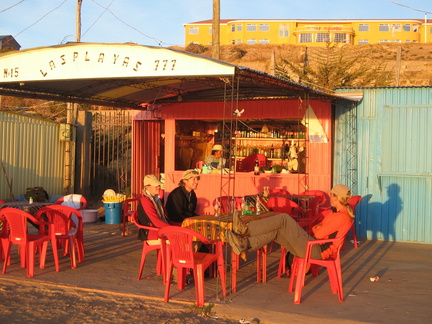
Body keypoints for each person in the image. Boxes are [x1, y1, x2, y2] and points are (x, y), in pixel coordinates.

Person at [226, 184, 354, 260]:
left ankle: (244, 229)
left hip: (317, 249)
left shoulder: (342, 217)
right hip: (313, 245)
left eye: (332, 195)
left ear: (337, 198)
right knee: (276, 231)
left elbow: (318, 233)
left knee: (284, 218)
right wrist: (318, 227)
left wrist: (317, 228)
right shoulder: (336, 213)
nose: (330, 197)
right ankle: (245, 243)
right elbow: (318, 229)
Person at [137, 174, 169, 241]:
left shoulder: (156, 199)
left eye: (158, 185)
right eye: (155, 185)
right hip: (151, 232)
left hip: (159, 229)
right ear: (147, 187)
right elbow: (155, 221)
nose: (158, 187)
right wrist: (172, 229)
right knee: (180, 238)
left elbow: (164, 216)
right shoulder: (145, 200)